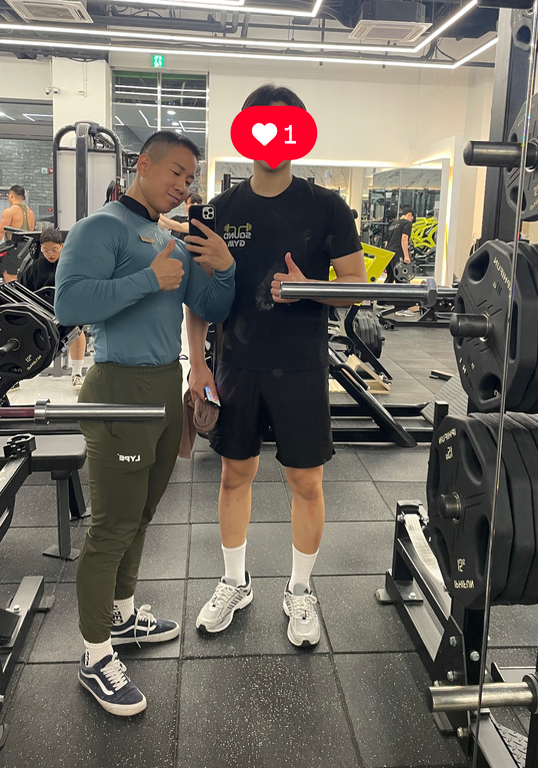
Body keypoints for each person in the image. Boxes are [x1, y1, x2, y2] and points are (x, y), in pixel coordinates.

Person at [54, 130, 236, 716]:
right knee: (112, 526)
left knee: (142, 515)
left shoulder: (168, 239)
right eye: (175, 172)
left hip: (162, 384)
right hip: (118, 386)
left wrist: (225, 268)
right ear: (144, 164)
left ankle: (123, 615)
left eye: (190, 178)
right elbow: (69, 306)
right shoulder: (100, 228)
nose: (183, 185)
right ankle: (94, 655)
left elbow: (211, 306)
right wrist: (146, 281)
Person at [185, 84, 367, 648]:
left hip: (302, 366)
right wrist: (198, 366)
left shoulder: (327, 207)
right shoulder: (218, 212)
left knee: (305, 481)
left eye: (285, 127)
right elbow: (197, 298)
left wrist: (307, 287)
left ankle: (300, 590)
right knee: (233, 475)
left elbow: (356, 287)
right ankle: (234, 583)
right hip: (235, 364)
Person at [18, 228, 88, 390]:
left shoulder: (72, 266)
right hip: (40, 313)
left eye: (54, 249)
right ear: (40, 248)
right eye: (46, 250)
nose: (50, 253)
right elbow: (22, 293)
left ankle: (77, 374)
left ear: (62, 246)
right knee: (21, 332)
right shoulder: (33, 269)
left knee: (76, 330)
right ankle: (16, 376)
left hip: (68, 311)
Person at [0, 185, 36, 282]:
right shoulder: (31, 213)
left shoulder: (9, 211)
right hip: (27, 250)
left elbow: (1, 230)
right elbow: (31, 232)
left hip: (13, 249)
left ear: (11, 195)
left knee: (11, 281)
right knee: (22, 280)